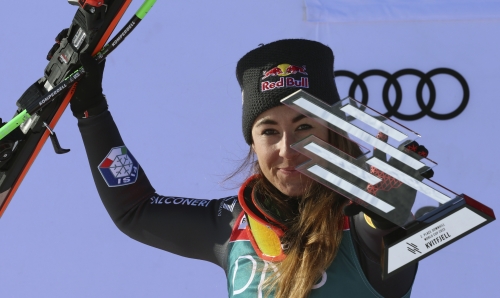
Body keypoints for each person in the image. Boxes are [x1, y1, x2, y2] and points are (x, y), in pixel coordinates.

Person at [70, 39, 420, 297]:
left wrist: (387, 214)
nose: (287, 149)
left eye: (304, 128)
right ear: (252, 142)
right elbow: (135, 209)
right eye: (269, 131)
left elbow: (381, 232)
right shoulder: (234, 223)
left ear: (331, 132)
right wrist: (91, 112)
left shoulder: (362, 221)